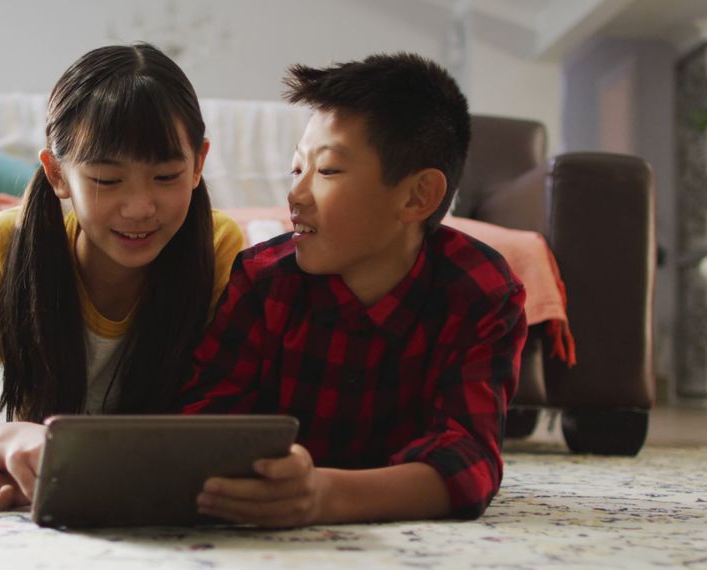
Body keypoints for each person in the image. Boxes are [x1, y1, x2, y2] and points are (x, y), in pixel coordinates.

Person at [0, 43, 244, 511]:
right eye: (107, 181)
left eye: (166, 176)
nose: (139, 208)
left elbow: (231, 420)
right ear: (57, 174)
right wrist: (4, 444)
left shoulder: (217, 247)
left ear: (199, 164)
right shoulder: (4, 245)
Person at [180, 53, 528, 526]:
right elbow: (202, 423)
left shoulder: (480, 289)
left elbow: (468, 460)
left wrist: (324, 495)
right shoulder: (263, 281)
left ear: (416, 196)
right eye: (295, 170)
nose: (296, 196)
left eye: (326, 172)